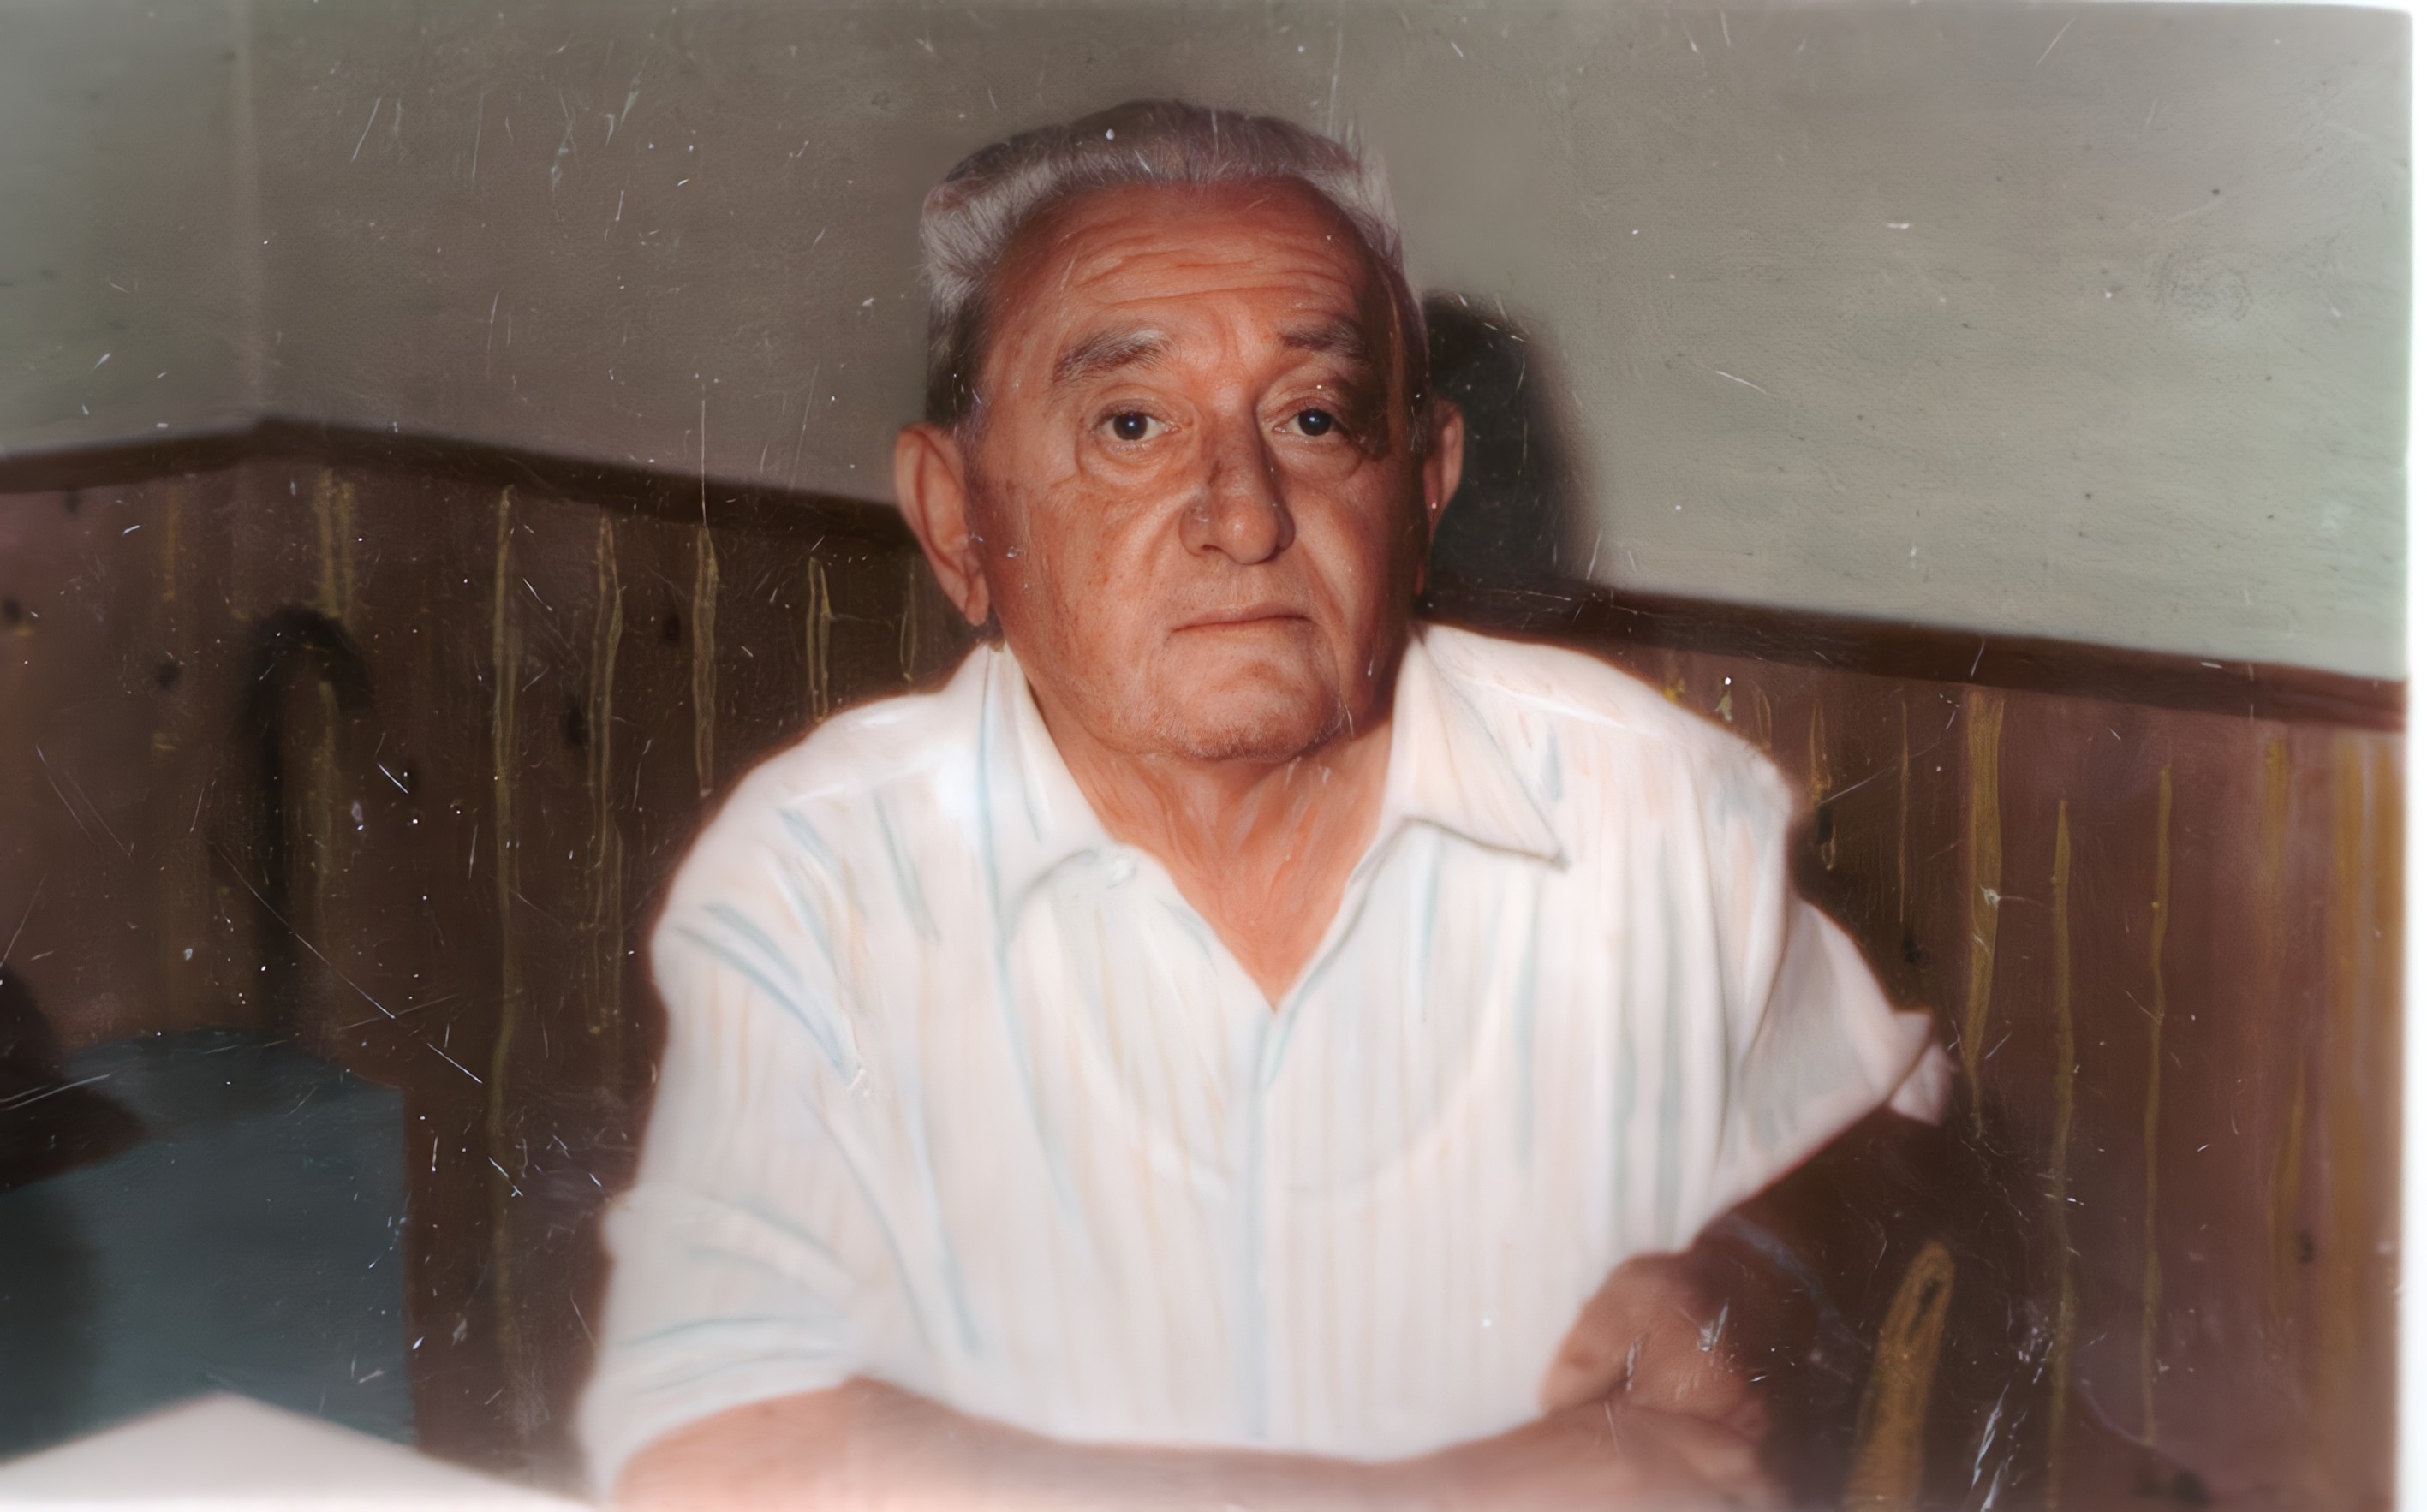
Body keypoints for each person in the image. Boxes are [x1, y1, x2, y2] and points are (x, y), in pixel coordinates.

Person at [580, 100, 1949, 1509]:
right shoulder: (824, 870)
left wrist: (1756, 1271)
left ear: (1423, 487)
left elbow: (1895, 1139)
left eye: (1311, 418)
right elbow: (707, 1442)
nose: (1242, 514)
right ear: (954, 519)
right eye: (1130, 423)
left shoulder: (1649, 804)